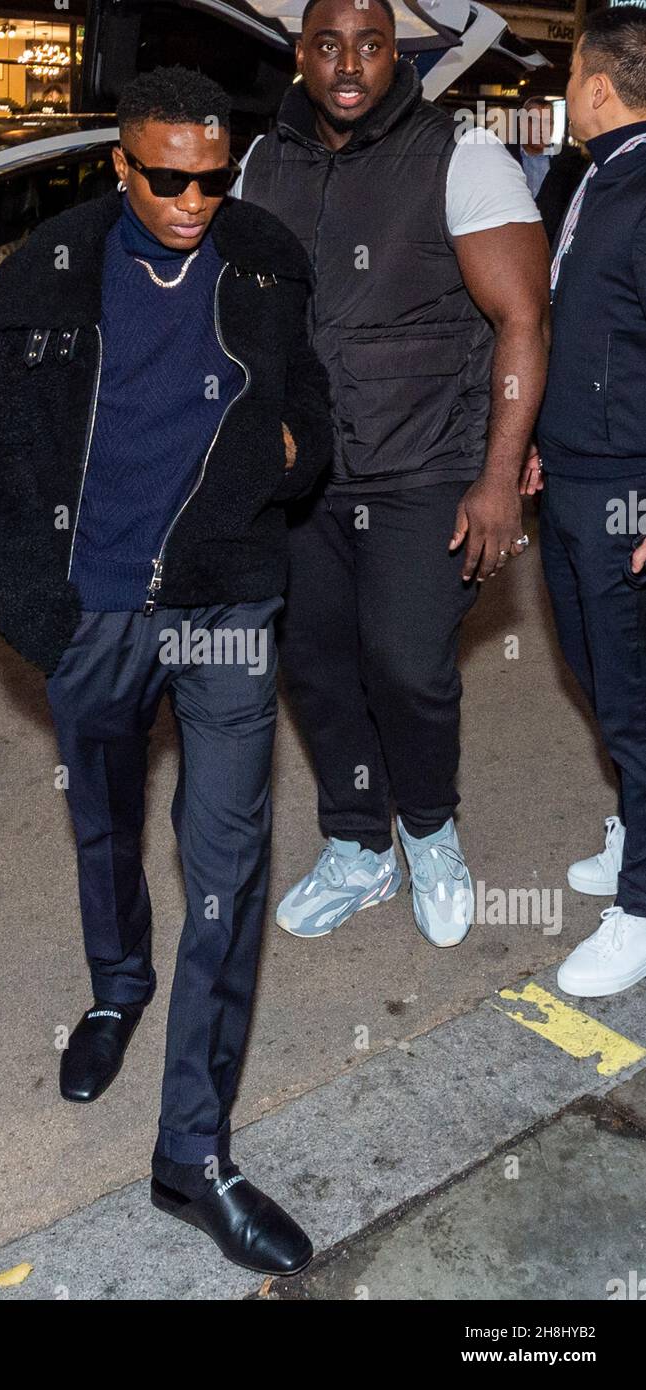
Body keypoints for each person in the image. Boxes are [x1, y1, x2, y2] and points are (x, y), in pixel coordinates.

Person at [0, 66, 332, 1275]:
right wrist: (40, 621)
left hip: (225, 602)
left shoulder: (264, 254)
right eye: (165, 177)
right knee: (106, 827)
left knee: (229, 858)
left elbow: (309, 403)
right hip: (96, 608)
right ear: (121, 166)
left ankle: (193, 1154)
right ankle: (117, 986)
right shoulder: (47, 273)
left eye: (211, 179)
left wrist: (292, 452)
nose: (190, 200)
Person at [238, 0, 550, 946]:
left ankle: (429, 830)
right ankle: (359, 848)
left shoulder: (461, 155)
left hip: (424, 467)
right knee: (317, 668)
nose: (348, 64)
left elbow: (522, 324)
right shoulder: (264, 160)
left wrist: (497, 479)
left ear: (395, 54)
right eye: (328, 44)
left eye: (370, 45)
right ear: (300, 54)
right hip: (306, 473)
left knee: (407, 665)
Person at [526, 5, 646, 999]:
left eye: (569, 76)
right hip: (570, 472)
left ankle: (644, 907)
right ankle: (633, 827)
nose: (561, 93)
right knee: (591, 667)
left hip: (625, 492)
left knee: (636, 694)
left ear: (598, 85)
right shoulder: (598, 175)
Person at [507, 96, 590, 244]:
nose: (542, 128)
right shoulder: (504, 156)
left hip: (553, 249)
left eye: (548, 122)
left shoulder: (572, 161)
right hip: (512, 246)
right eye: (535, 121)